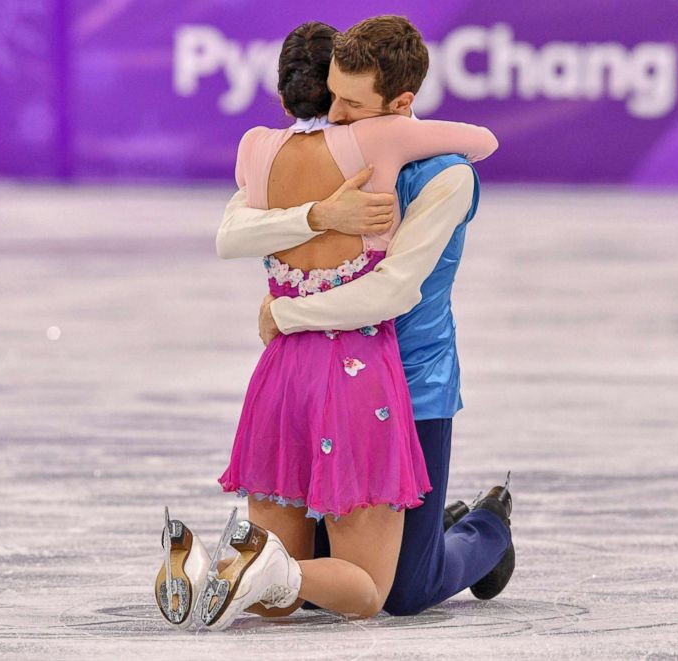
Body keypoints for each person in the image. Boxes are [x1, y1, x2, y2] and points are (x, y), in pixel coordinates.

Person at [155, 17, 507, 631]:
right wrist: (317, 213)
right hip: (336, 369)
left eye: (352, 105)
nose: (333, 116)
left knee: (403, 590)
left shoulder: (446, 173)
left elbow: (395, 290)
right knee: (325, 569)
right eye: (332, 95)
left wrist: (282, 312)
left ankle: (489, 529)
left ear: (400, 105)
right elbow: (234, 231)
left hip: (413, 377)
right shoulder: (339, 149)